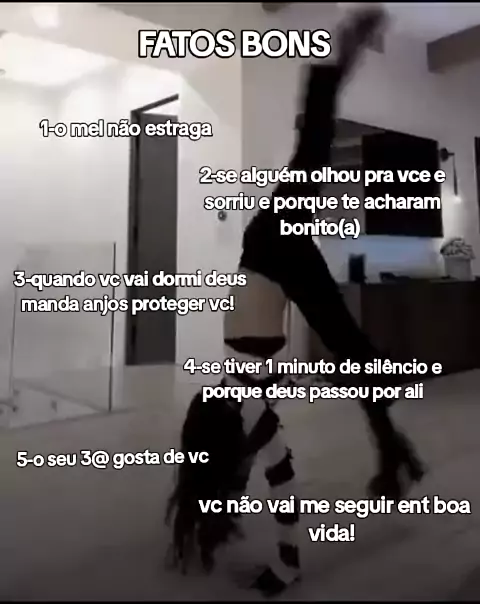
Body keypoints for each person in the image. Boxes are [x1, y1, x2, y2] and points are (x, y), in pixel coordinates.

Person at [166, 7, 425, 597]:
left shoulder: (247, 418)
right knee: (350, 348)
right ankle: (392, 451)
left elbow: (284, 490)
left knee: (311, 155)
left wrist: (286, 568)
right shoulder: (224, 409)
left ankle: (332, 64)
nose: (244, 473)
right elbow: (244, 472)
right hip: (269, 258)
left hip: (272, 252)